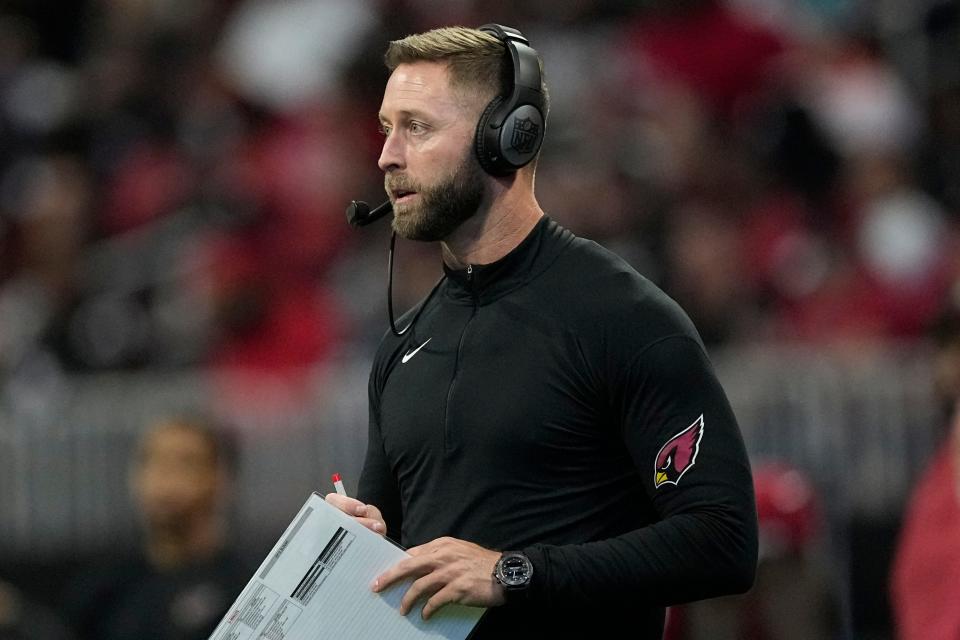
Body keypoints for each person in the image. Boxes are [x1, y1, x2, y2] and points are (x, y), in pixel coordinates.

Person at [326, 24, 758, 638]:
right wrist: (358, 543)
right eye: (386, 128)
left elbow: (722, 539)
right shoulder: (402, 348)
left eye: (416, 126)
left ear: (508, 136)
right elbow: (402, 571)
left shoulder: (624, 318)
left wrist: (512, 573)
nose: (387, 156)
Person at [63, 416, 249, 640]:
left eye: (185, 462)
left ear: (221, 478)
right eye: (151, 460)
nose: (164, 477)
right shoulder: (101, 588)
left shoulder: (247, 585)